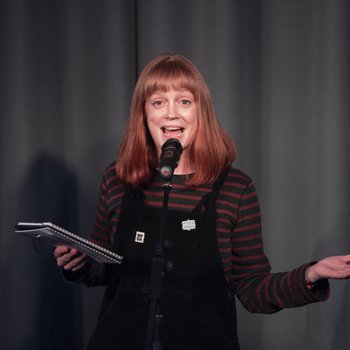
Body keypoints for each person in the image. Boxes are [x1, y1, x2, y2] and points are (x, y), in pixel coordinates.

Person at [54, 53, 350, 350]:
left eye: (184, 101)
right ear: (143, 114)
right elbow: (102, 269)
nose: (171, 113)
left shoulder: (235, 188)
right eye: (158, 102)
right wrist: (77, 264)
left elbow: (253, 288)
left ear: (201, 111)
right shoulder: (117, 179)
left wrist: (310, 275)